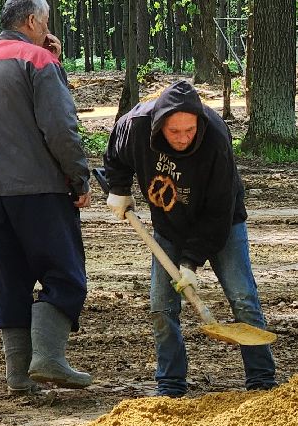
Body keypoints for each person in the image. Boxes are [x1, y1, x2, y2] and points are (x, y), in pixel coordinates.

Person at [100, 80, 276, 397]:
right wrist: (119, 189)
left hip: (222, 223)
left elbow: (219, 212)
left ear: (199, 122)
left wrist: (190, 263)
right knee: (162, 306)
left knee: (242, 298)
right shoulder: (137, 125)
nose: (182, 138)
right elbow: (115, 152)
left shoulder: (216, 138)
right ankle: (170, 385)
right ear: (159, 125)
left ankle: (261, 380)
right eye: (174, 132)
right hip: (168, 224)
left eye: (189, 131)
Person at [0, 0, 92, 392]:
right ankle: (49, 359)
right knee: (65, 274)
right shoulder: (38, 60)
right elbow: (60, 127)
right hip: (41, 190)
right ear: (31, 21)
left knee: (9, 279)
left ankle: (18, 375)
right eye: (46, 21)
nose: (48, 28)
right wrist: (78, 177)